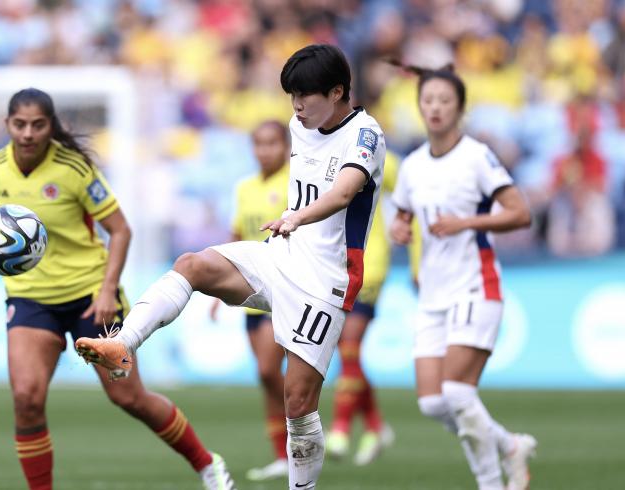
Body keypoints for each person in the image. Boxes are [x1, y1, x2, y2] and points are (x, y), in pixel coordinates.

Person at [75, 44, 386, 490]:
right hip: (281, 254)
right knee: (193, 264)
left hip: (325, 280)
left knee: (297, 404)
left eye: (306, 96)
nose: (297, 106)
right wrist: (289, 225)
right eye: (291, 96)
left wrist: (296, 216)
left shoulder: (366, 134)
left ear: (338, 92)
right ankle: (122, 344)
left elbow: (342, 193)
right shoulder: (301, 124)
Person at [0, 88, 234, 490]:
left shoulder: (73, 169)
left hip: (92, 297)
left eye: (37, 125)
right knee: (26, 399)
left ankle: (205, 463)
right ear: (7, 125)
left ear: (50, 126)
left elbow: (120, 230)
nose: (27, 133)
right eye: (19, 124)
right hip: (30, 298)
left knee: (129, 398)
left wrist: (108, 290)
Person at [388, 64, 537, 490]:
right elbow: (403, 217)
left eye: (444, 101)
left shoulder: (476, 156)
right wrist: (400, 228)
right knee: (434, 403)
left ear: (460, 109)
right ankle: (509, 445)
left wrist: (466, 223)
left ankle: (492, 483)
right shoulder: (413, 165)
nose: (434, 108)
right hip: (432, 291)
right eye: (427, 100)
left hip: (475, 283)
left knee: (457, 392)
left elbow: (520, 213)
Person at [209, 120, 290, 481]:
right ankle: (283, 452)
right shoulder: (244, 188)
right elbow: (237, 235)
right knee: (266, 377)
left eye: (272, 143)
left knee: (268, 371)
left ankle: (299, 439)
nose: (265, 151)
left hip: (286, 287)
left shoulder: (294, 183)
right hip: (253, 290)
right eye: (258, 144)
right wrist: (217, 290)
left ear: (286, 146)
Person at [326, 151, 417, 466]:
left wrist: (408, 235)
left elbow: (412, 198)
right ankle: (376, 426)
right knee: (345, 351)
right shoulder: (322, 154)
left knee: (349, 346)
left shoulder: (380, 158)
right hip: (329, 266)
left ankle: (339, 428)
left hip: (369, 264)